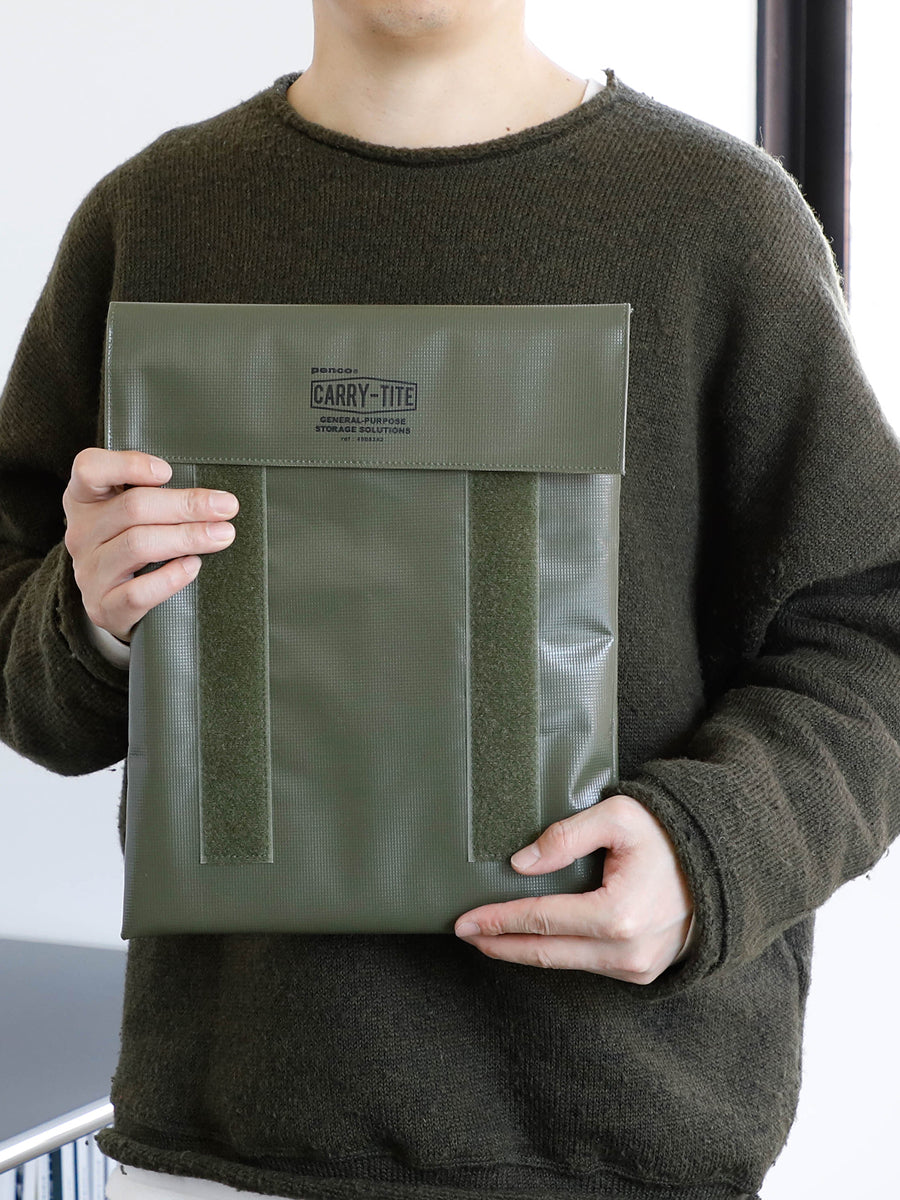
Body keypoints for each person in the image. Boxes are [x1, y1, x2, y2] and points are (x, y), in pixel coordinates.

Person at [1, 2, 899, 1199]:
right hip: (224, 1148)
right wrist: (92, 615)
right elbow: (25, 652)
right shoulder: (153, 215)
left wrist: (712, 853)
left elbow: (871, 625)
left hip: (615, 1145)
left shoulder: (716, 218)